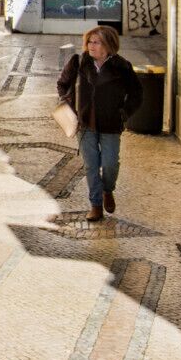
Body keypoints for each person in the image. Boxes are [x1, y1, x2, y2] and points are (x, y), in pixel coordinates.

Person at [57, 24, 141, 222]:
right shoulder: (78, 62)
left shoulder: (122, 66)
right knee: (91, 165)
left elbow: (137, 93)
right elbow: (62, 84)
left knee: (110, 164)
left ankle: (107, 190)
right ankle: (95, 205)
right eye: (89, 42)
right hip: (84, 124)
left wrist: (124, 113)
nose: (91, 46)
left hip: (111, 123)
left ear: (109, 45)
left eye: (97, 42)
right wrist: (67, 104)